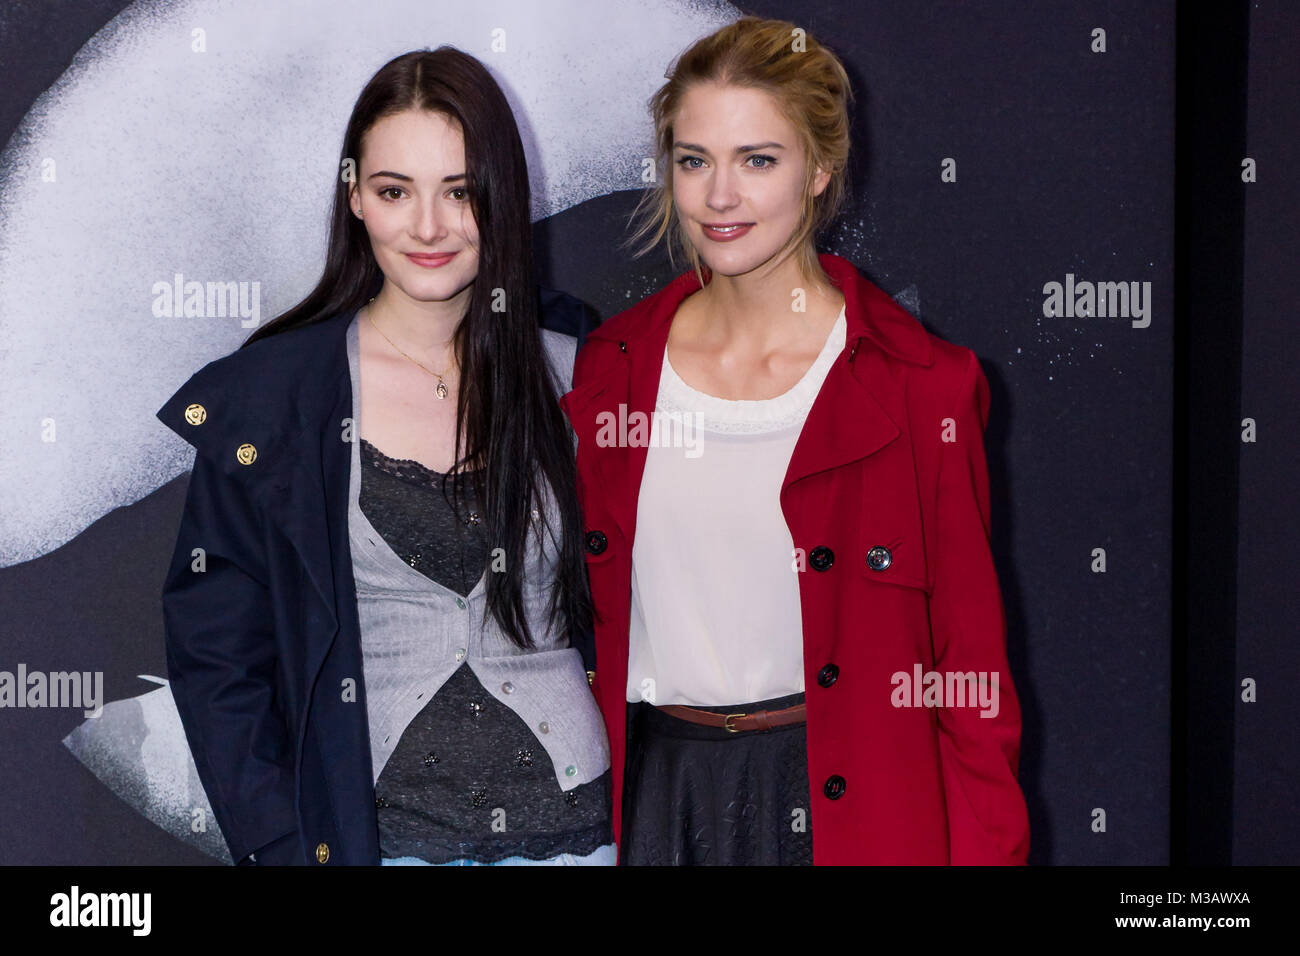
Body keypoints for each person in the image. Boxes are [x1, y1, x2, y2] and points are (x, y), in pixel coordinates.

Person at [560, 16, 1031, 864]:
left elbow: (971, 674)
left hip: (857, 804)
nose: (719, 197)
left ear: (819, 170)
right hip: (659, 804)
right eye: (694, 160)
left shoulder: (924, 386)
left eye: (758, 160)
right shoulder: (608, 372)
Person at [157, 47, 613, 865]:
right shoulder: (276, 398)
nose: (428, 226)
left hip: (580, 842)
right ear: (356, 197)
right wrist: (280, 842)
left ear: (502, 198)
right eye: (395, 190)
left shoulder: (587, 369)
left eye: (460, 191)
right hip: (371, 842)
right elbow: (217, 657)